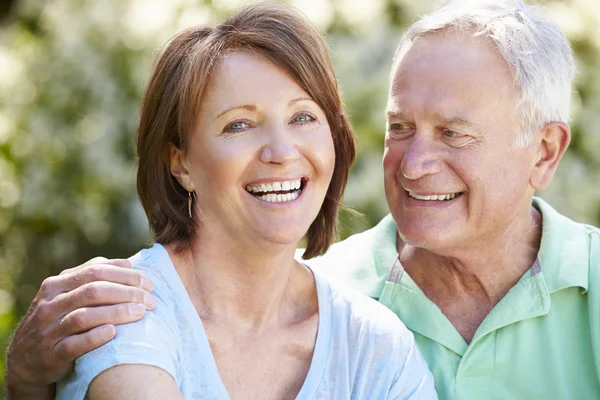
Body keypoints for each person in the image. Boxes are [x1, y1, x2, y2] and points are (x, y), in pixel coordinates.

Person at [6, 0, 600, 398]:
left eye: (454, 133)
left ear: (545, 153)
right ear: (179, 161)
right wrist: (26, 378)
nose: (415, 164)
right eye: (398, 128)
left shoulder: (370, 335)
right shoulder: (127, 308)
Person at [50, 3, 433, 400]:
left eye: (302, 117)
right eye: (239, 125)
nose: (282, 151)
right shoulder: (126, 313)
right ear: (180, 164)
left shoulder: (375, 345)